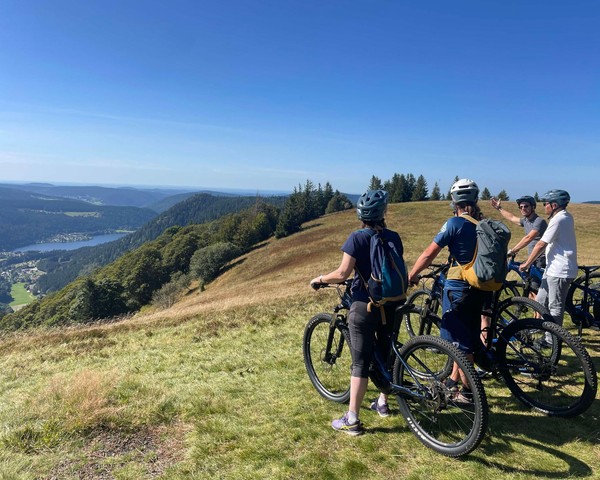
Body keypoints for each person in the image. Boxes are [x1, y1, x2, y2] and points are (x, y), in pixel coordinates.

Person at [310, 189, 405, 436]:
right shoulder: (394, 236)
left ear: (360, 214)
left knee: (360, 362)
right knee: (386, 348)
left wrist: (320, 279)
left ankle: (352, 419)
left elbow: (343, 274)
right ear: (383, 212)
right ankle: (382, 402)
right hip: (393, 302)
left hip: (365, 305)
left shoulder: (357, 237)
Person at [408, 179, 487, 402]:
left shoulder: (454, 224)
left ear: (454, 202)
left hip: (458, 288)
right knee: (465, 339)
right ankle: (453, 382)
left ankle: (469, 394)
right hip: (479, 288)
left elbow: (428, 253)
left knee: (459, 345)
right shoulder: (482, 223)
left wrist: (412, 275)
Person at [519, 190, 577, 327]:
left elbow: (541, 244)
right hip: (552, 268)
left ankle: (552, 341)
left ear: (554, 205)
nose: (544, 206)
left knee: (555, 307)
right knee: (540, 301)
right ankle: (540, 329)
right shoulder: (566, 216)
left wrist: (527, 263)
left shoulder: (558, 219)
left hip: (559, 270)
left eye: (546, 203)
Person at [491, 195, 548, 297]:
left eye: (526, 206)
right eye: (521, 207)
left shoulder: (539, 221)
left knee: (536, 292)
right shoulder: (525, 221)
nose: (523, 209)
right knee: (532, 291)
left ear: (533, 207)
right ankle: (538, 310)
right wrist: (499, 208)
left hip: (541, 259)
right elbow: (512, 218)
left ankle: (541, 311)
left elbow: (529, 238)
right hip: (533, 258)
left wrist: (513, 250)